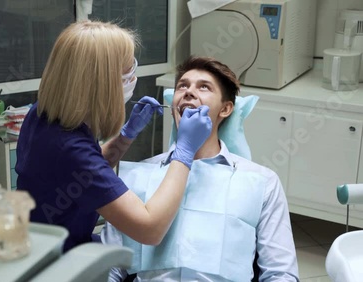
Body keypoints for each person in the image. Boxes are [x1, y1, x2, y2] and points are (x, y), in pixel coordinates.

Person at [15, 21, 213, 253]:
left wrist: (126, 135)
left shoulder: (44, 113)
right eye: (128, 72)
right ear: (103, 83)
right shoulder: (69, 147)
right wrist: (185, 150)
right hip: (51, 263)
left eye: (204, 88)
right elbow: (149, 230)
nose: (189, 93)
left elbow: (83, 176)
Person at [102, 56, 299, 281]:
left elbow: (281, 273)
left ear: (225, 109)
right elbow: (110, 265)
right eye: (182, 86)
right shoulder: (138, 175)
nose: (189, 92)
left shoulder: (261, 182)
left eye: (204, 87)